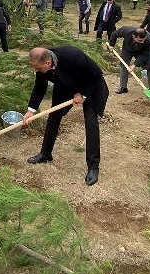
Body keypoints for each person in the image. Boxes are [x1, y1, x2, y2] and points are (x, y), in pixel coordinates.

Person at [23, 46, 108, 186]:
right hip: (66, 86)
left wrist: (83, 93)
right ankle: (45, 153)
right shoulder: (42, 65)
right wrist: (31, 110)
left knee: (90, 121)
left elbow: (96, 75)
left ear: (47, 63)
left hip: (92, 85)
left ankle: (93, 167)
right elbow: (39, 87)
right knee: (54, 116)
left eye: (38, 68)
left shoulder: (73, 56)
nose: (36, 71)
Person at [109, 26, 150, 98]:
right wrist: (111, 44)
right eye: (139, 40)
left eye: (143, 40)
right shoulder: (126, 30)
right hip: (128, 49)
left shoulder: (149, 40)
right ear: (133, 36)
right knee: (124, 66)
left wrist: (134, 65)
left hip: (143, 52)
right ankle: (123, 87)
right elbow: (115, 34)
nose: (142, 42)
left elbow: (145, 55)